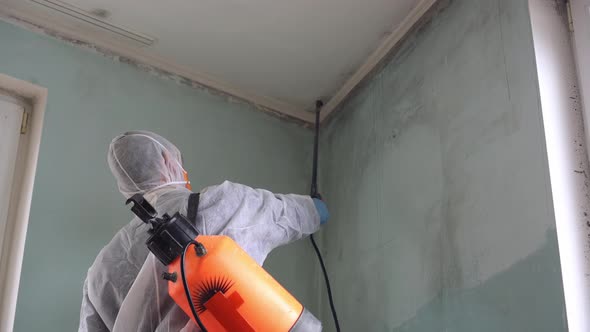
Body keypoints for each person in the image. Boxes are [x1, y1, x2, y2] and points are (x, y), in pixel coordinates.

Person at [78, 130, 328, 332]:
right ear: (167, 161)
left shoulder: (99, 272)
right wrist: (319, 207)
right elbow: (293, 215)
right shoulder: (222, 203)